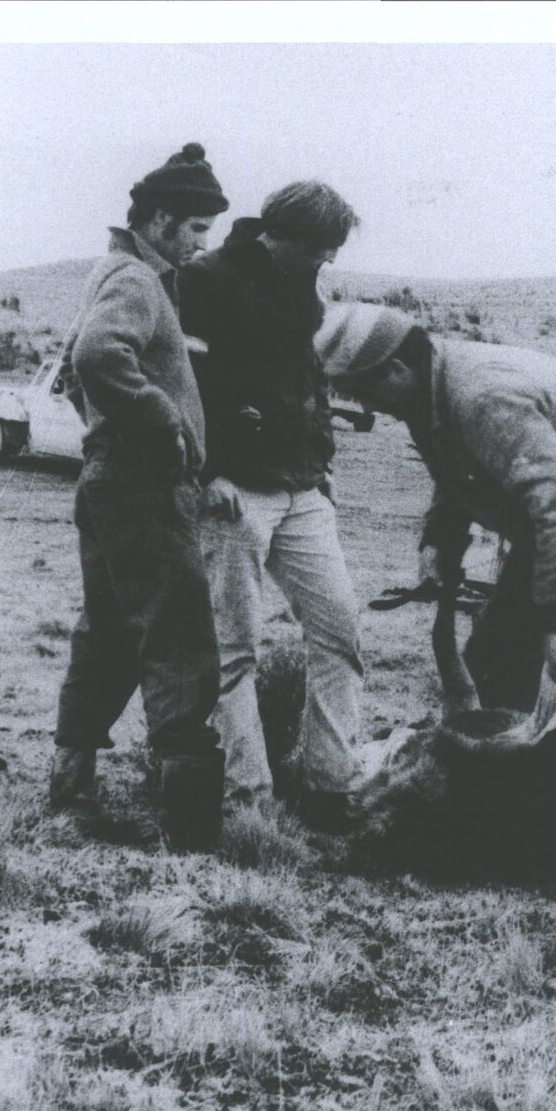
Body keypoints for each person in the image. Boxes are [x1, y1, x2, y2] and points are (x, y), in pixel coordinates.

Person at [313, 305, 556, 887]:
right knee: (496, 659)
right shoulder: (430, 393)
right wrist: (439, 541)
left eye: (366, 392)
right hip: (555, 519)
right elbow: (459, 471)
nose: (369, 408)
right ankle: (508, 817)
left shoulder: (481, 396)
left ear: (397, 369)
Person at [48, 143, 230, 849]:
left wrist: (104, 435)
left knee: (110, 632)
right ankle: (188, 831)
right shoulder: (137, 281)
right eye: (193, 230)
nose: (197, 244)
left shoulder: (111, 270)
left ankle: (71, 793)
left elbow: (70, 369)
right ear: (158, 220)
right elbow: (95, 356)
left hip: (110, 479)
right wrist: (165, 427)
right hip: (144, 485)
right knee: (181, 635)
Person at [178, 181, 365, 831]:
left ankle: (327, 788)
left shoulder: (303, 285)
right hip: (233, 490)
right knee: (235, 645)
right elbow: (178, 384)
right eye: (319, 248)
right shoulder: (204, 280)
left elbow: (306, 381)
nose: (326, 261)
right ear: (279, 235)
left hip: (302, 485)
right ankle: (246, 803)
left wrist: (322, 467)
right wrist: (202, 473)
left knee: (340, 627)